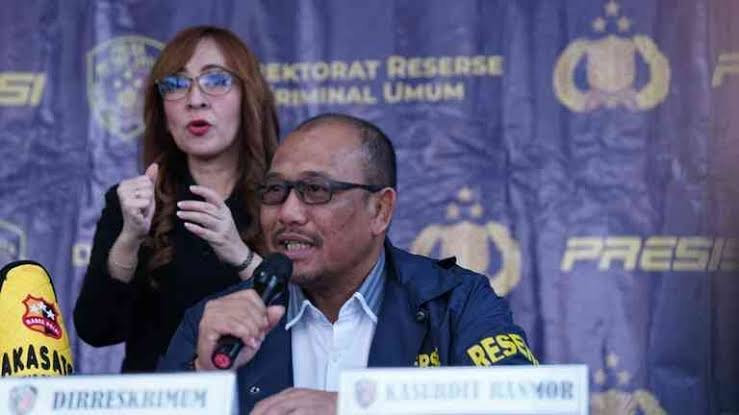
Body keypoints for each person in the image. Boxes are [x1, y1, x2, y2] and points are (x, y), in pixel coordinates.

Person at [160, 113, 537, 414]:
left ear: (380, 210)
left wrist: (357, 408)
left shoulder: (455, 302)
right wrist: (205, 376)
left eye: (315, 190)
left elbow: (527, 406)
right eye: (275, 190)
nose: (288, 213)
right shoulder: (217, 322)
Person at [74, 26, 279, 373]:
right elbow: (97, 330)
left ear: (249, 98)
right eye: (176, 84)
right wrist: (129, 240)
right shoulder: (135, 202)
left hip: (261, 395)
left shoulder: (283, 200)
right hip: (157, 396)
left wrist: (239, 254)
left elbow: (310, 323)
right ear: (163, 115)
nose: (195, 99)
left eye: (216, 80)